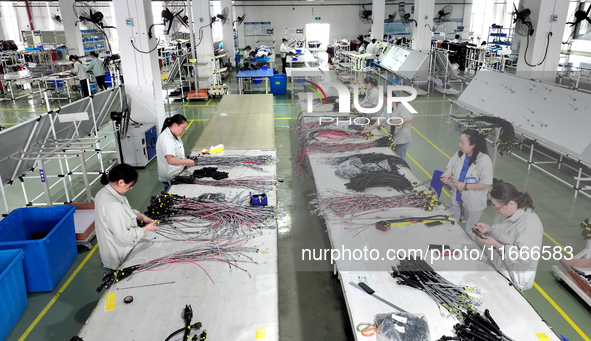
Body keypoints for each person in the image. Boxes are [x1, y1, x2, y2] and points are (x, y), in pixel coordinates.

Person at [473, 182, 543, 291]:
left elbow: (525, 257)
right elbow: (503, 232)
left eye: (497, 207)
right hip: (496, 269)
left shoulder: (530, 224)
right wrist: (488, 229)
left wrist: (497, 245)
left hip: (512, 279)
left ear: (510, 203)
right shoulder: (504, 213)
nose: (496, 210)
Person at [95, 164, 159, 271]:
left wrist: (142, 217)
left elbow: (126, 210)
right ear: (120, 182)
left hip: (114, 250)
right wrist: (146, 229)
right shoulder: (113, 205)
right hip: (119, 258)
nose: (131, 188)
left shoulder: (104, 193)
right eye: (130, 185)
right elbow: (125, 237)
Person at [441, 129, 493, 234]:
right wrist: (446, 174)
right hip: (456, 196)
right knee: (449, 223)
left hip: (473, 201)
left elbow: (487, 183)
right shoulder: (460, 154)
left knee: (469, 230)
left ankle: (466, 250)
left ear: (473, 144)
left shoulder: (484, 160)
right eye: (459, 142)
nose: (459, 145)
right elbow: (450, 168)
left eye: (463, 143)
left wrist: (465, 186)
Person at [360, 92, 414, 160]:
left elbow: (410, 118)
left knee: (399, 159)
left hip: (402, 139)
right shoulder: (387, 109)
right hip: (393, 138)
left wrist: (396, 122)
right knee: (393, 156)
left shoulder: (401, 107)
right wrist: (368, 130)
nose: (384, 102)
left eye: (385, 100)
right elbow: (380, 120)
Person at [156, 114, 195, 192]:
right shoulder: (166, 139)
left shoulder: (174, 135)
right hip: (170, 176)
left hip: (176, 173)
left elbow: (176, 152)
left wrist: (183, 158)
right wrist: (185, 162)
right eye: (183, 128)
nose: (183, 131)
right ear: (175, 125)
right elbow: (170, 160)